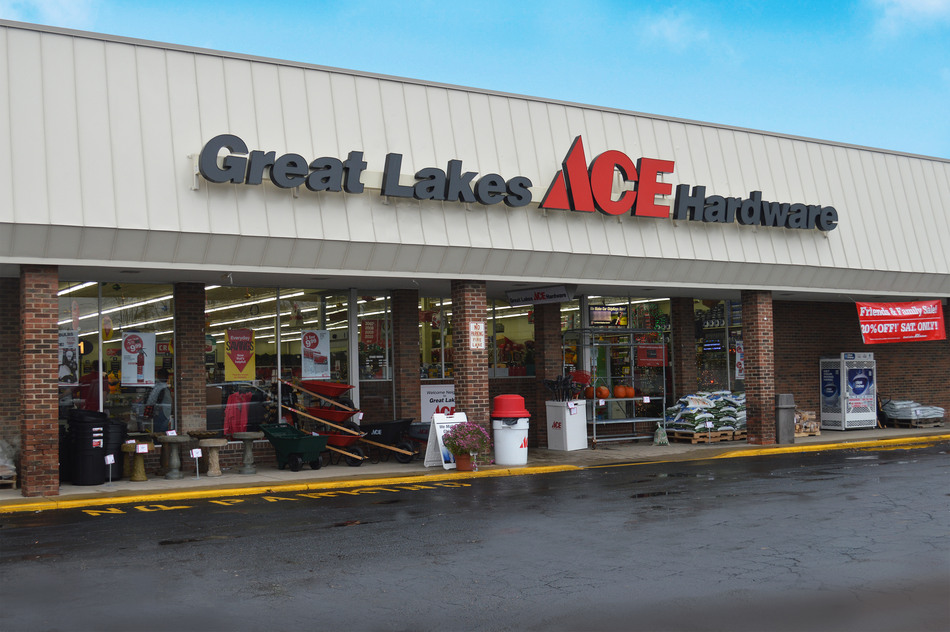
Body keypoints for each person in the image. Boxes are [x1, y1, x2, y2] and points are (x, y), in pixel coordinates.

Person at [145, 368, 173, 432]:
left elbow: (151, 400)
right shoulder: (166, 388)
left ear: (160, 376)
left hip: (160, 412)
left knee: (158, 431)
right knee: (163, 430)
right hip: (166, 413)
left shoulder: (159, 387)